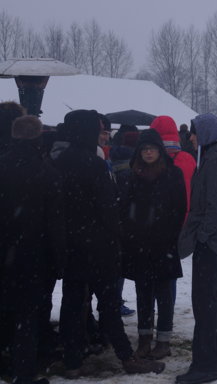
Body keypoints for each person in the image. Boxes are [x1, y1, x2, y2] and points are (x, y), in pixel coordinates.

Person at [55, 110, 164, 376]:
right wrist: (117, 238)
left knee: (72, 303)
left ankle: (72, 361)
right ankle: (127, 358)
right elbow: (109, 207)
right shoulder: (93, 164)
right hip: (98, 246)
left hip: (71, 245)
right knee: (109, 304)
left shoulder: (58, 162)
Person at [0, 115, 65, 384]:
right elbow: (55, 220)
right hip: (33, 253)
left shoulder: (2, 166)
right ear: (38, 138)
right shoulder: (46, 171)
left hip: (3, 250)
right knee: (27, 314)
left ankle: (6, 363)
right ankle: (24, 372)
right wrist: (58, 257)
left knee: (5, 309)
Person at [177, 113, 217, 384]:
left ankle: (204, 365)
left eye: (193, 132)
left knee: (205, 306)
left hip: (213, 244)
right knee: (216, 302)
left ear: (205, 133)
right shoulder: (214, 158)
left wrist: (202, 236)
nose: (190, 137)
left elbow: (215, 207)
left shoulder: (215, 162)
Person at [119, 129, 186, 360]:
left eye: (152, 149)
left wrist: (169, 236)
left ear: (159, 151)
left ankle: (164, 340)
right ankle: (145, 338)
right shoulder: (133, 174)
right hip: (138, 245)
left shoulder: (172, 174)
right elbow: (125, 209)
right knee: (142, 293)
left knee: (164, 294)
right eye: (145, 149)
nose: (148, 153)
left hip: (163, 244)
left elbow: (179, 208)